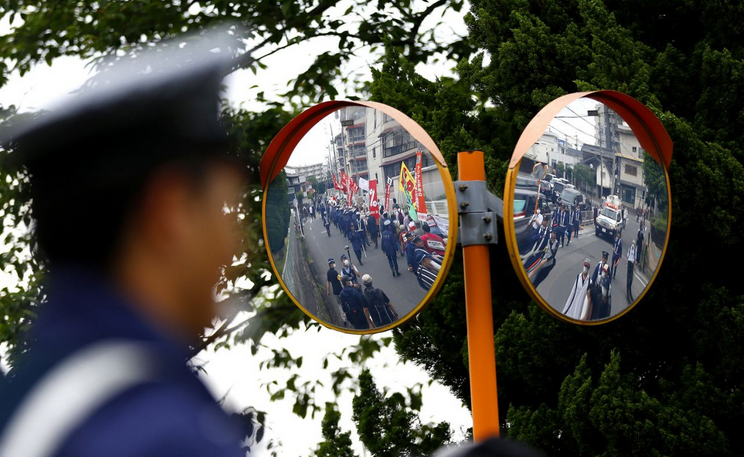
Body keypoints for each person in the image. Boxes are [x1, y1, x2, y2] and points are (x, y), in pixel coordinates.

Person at [0, 33, 247, 456]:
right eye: (225, 212)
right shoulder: (161, 437)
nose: (234, 252)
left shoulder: (27, 398)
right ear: (170, 214)